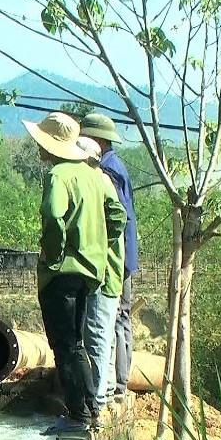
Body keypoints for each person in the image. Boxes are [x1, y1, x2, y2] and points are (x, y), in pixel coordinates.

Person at [24, 112, 127, 434]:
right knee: (76, 344)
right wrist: (98, 245)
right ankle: (90, 410)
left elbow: (53, 217)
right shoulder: (95, 174)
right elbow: (117, 216)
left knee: (64, 346)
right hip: (91, 272)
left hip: (63, 273)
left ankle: (77, 417)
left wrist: (53, 258)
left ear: (50, 144)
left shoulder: (58, 175)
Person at [79, 113, 137, 401]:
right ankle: (119, 384)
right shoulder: (116, 165)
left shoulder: (107, 171)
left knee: (112, 320)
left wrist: (105, 248)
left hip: (115, 259)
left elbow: (116, 216)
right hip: (124, 257)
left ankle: (116, 385)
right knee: (119, 319)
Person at [76, 136, 125, 420]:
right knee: (101, 337)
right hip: (108, 273)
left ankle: (96, 404)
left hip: (102, 276)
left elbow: (117, 220)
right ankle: (102, 395)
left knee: (95, 336)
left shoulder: (98, 182)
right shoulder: (103, 180)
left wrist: (97, 243)